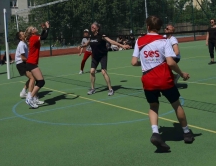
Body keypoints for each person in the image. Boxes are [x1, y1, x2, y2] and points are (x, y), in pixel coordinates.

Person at [131, 15, 194, 152]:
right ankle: (187, 132)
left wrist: (148, 63)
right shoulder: (164, 40)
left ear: (147, 26)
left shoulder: (139, 41)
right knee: (176, 104)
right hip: (164, 79)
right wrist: (182, 73)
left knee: (153, 106)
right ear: (159, 27)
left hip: (148, 80)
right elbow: (171, 62)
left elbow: (134, 62)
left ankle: (155, 133)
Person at [80, 22, 130, 96]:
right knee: (92, 71)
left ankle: (110, 89)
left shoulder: (102, 35)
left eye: (93, 27)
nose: (92, 28)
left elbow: (111, 41)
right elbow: (87, 43)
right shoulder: (91, 36)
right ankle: (93, 89)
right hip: (95, 56)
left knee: (103, 72)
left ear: (97, 28)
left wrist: (122, 45)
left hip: (103, 55)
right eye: (91, 27)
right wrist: (82, 45)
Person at [24, 21, 50, 109]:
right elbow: (44, 37)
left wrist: (44, 29)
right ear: (32, 32)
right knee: (41, 82)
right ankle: (30, 98)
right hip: (31, 63)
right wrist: (48, 28)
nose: (35, 28)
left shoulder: (34, 37)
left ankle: (32, 98)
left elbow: (42, 35)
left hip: (31, 62)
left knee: (38, 81)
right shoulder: (34, 38)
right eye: (33, 28)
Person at [15, 31, 35, 99]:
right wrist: (30, 61)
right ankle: (31, 96)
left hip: (22, 63)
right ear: (20, 37)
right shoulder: (21, 45)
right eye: (23, 34)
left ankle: (23, 92)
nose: (24, 34)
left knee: (32, 78)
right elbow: (23, 58)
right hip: (21, 63)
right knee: (32, 78)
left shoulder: (24, 43)